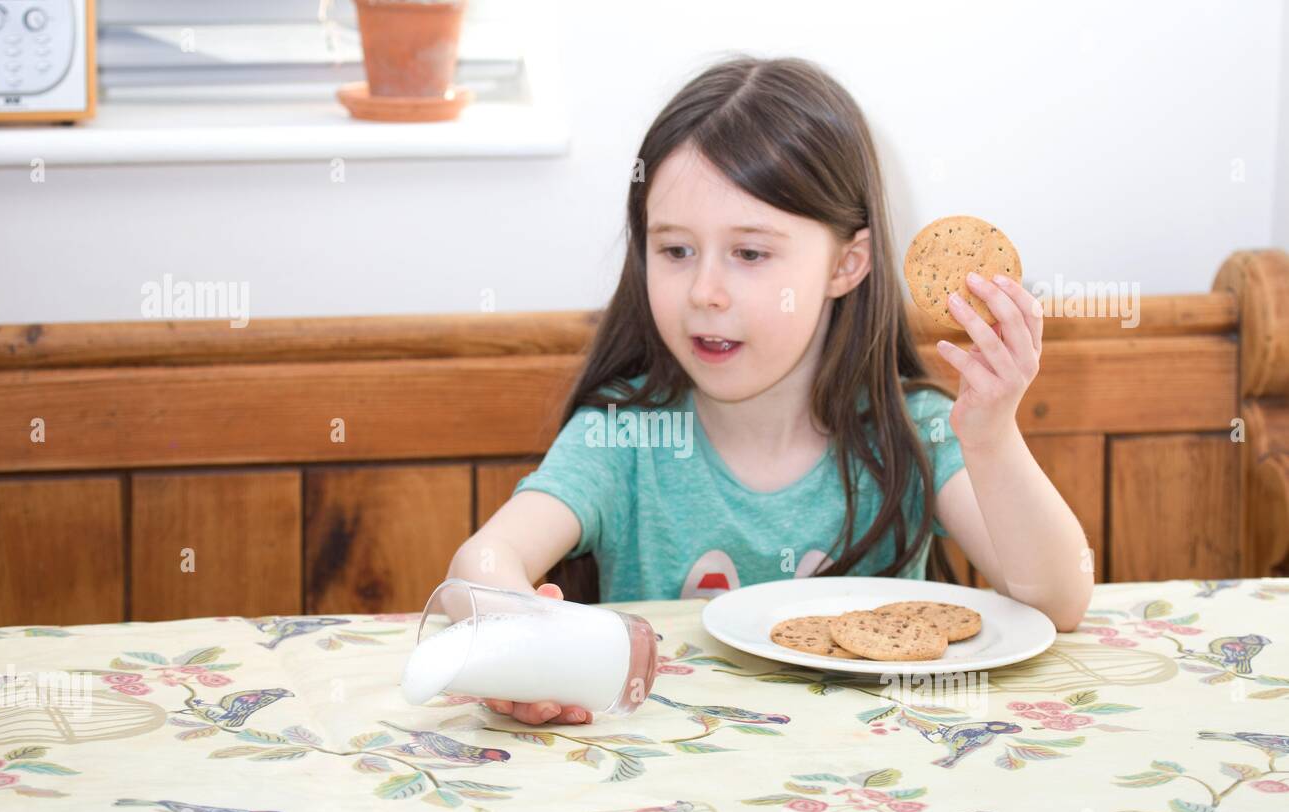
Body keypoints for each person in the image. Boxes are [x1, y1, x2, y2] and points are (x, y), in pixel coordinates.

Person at [447, 55, 1092, 726]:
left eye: (750, 254)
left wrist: (991, 435)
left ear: (847, 264)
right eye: (675, 251)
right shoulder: (623, 436)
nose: (704, 293)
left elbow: (1058, 599)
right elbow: (480, 563)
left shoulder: (913, 430)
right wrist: (525, 633)